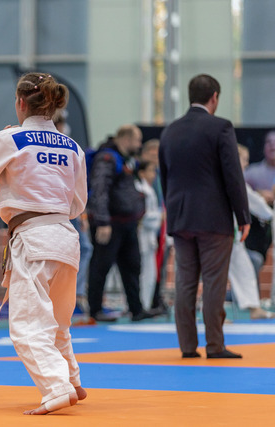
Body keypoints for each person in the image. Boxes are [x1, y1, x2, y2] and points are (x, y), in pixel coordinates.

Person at [0, 72, 88, 415]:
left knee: (28, 326)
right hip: (65, 237)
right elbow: (78, 204)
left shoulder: (11, 139)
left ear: (20, 102)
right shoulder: (72, 146)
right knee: (57, 321)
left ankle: (57, 387)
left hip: (33, 238)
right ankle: (72, 379)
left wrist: (0, 154)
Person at [159, 74, 250, 359]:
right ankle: (215, 345)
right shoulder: (220, 127)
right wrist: (243, 216)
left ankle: (187, 346)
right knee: (213, 281)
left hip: (180, 217)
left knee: (185, 282)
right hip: (213, 218)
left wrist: (173, 211)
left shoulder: (170, 131)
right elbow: (233, 176)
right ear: (214, 97)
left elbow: (165, 177)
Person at [86, 125, 152, 322]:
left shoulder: (126, 160)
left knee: (132, 265)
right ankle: (95, 309)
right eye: (137, 140)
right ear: (126, 138)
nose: (139, 145)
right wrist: (103, 221)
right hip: (110, 223)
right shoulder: (107, 159)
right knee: (101, 266)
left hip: (128, 223)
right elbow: (100, 190)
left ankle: (136, 309)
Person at [52, 110, 92, 315]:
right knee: (59, 253)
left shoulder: (70, 148)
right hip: (52, 210)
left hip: (70, 209)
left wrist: (81, 214)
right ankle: (63, 296)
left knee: (83, 248)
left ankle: (76, 295)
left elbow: (77, 185)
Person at [229, 145, 274, 319]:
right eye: (244, 159)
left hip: (227, 233)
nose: (246, 164)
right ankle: (212, 314)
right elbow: (254, 202)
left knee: (243, 268)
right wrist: (270, 214)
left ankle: (253, 308)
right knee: (216, 272)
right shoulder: (233, 178)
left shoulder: (231, 178)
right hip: (222, 232)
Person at [135, 160, 162, 311]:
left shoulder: (149, 189)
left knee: (150, 275)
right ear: (142, 173)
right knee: (144, 274)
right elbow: (143, 216)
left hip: (149, 237)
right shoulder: (140, 189)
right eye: (151, 171)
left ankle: (146, 304)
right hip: (142, 237)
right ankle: (142, 305)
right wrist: (160, 216)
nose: (153, 175)